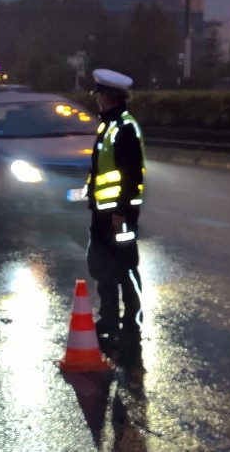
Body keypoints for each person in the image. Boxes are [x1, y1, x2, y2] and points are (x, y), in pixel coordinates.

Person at [84, 68, 146, 387]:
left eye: (98, 94)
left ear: (110, 96)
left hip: (119, 216)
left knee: (125, 269)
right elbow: (102, 169)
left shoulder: (125, 129)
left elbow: (132, 174)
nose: (96, 98)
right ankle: (108, 320)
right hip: (103, 214)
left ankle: (131, 325)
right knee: (104, 267)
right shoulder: (108, 126)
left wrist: (121, 211)